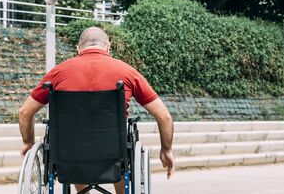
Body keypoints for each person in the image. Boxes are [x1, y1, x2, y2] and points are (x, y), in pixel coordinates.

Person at [18, 27, 175, 193]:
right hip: (114, 153)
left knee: (74, 147)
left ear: (79, 49)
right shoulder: (127, 72)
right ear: (108, 47)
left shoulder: (58, 73)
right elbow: (164, 116)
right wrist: (166, 150)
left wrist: (28, 143)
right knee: (123, 157)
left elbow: (25, 112)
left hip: (69, 154)